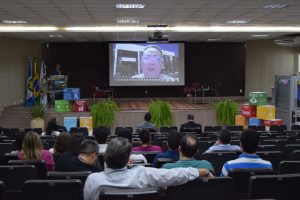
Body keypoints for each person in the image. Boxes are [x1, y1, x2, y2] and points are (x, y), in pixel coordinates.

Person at [84, 137, 213, 200]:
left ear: (105, 157)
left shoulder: (93, 180)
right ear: (129, 160)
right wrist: (201, 171)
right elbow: (176, 175)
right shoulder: (143, 174)